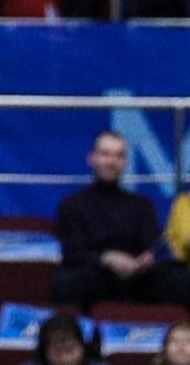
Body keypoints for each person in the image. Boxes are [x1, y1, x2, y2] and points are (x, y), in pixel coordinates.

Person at [54, 131, 186, 306]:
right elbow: (73, 252)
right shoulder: (72, 205)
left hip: (138, 278)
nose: (111, 162)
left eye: (118, 156)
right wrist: (106, 258)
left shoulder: (142, 205)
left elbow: (151, 244)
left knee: (180, 279)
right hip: (95, 274)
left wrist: (145, 259)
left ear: (125, 163)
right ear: (91, 158)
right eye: (105, 154)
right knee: (66, 283)